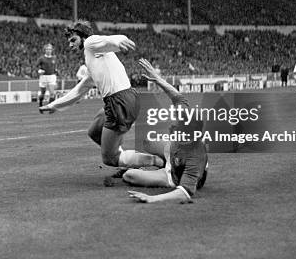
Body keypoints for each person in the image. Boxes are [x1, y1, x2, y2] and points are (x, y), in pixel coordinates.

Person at [39, 21, 163, 169]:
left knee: (109, 158)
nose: (71, 45)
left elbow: (109, 39)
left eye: (73, 40)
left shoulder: (90, 43)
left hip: (119, 101)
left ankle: (159, 161)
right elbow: (80, 90)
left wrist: (121, 40)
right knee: (94, 131)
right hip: (124, 98)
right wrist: (55, 105)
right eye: (69, 42)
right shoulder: (92, 57)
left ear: (83, 37)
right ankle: (126, 162)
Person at [125, 58, 208, 204]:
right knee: (147, 143)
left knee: (129, 175)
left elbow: (185, 193)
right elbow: (177, 97)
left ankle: (160, 164)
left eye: (176, 125)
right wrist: (157, 79)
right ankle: (160, 160)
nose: (172, 125)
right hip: (175, 150)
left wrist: (152, 198)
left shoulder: (195, 154)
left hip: (174, 175)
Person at [37, 43, 57, 108]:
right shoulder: (41, 58)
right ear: (45, 50)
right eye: (47, 49)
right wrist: (39, 71)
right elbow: (36, 66)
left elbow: (54, 66)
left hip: (51, 77)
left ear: (52, 50)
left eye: (50, 49)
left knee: (52, 93)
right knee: (43, 93)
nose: (49, 50)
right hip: (43, 77)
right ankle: (40, 103)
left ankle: (49, 107)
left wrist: (55, 70)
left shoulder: (54, 58)